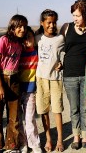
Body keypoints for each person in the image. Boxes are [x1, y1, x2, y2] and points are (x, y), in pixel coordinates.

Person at [60, 0, 86, 149]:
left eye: (78, 15)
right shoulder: (66, 27)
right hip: (69, 75)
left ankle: (85, 137)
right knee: (74, 108)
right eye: (73, 15)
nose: (74, 18)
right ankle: (76, 138)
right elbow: (56, 46)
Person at [0, 14, 28, 153]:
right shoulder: (3, 40)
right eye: (19, 26)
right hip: (0, 79)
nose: (22, 29)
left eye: (24, 26)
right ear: (12, 26)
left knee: (14, 116)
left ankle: (12, 145)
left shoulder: (20, 44)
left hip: (14, 79)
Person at [35, 9, 65, 152]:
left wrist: (62, 63)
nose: (52, 25)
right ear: (42, 23)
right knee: (43, 111)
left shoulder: (60, 39)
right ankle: (48, 139)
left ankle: (59, 140)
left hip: (55, 79)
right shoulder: (37, 38)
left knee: (57, 110)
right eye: (48, 23)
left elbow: (66, 53)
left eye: (54, 22)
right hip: (41, 79)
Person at [18, 26, 42, 153]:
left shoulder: (37, 52)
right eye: (24, 37)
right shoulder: (19, 52)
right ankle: (23, 143)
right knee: (18, 119)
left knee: (29, 118)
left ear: (34, 38)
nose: (27, 39)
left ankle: (34, 143)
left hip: (31, 90)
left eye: (30, 36)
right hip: (17, 90)